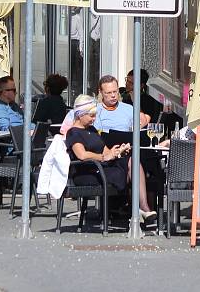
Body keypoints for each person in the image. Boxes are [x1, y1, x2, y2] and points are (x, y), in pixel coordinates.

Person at [65, 96, 157, 224]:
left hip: (101, 168)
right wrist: (103, 157)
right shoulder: (73, 133)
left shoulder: (91, 130)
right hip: (87, 172)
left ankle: (143, 208)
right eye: (91, 115)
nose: (94, 118)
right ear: (80, 115)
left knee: (132, 161)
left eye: (95, 115)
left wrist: (117, 151)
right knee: (127, 172)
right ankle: (135, 210)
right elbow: (82, 155)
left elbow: (106, 151)